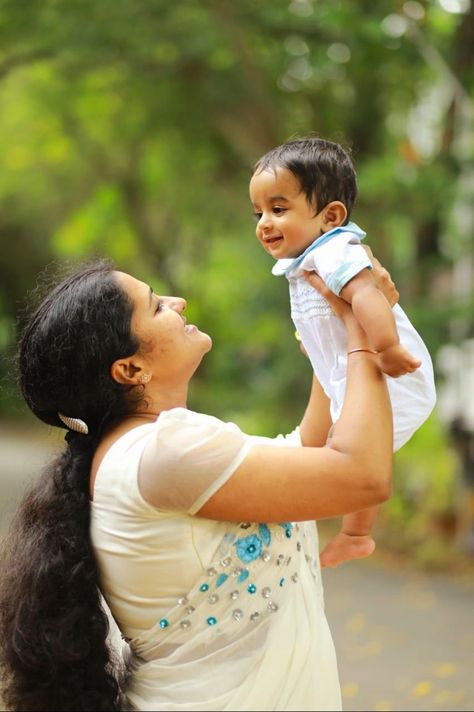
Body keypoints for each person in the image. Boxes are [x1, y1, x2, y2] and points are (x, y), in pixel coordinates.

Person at [0, 258, 394, 711]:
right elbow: (363, 477)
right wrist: (365, 335)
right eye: (156, 306)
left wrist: (334, 339)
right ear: (129, 369)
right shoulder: (168, 453)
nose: (178, 302)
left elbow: (306, 452)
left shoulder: (148, 450)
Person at [250, 136, 436, 568]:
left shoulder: (335, 251)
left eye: (278, 210)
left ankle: (356, 533)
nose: (263, 223)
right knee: (346, 451)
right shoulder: (306, 259)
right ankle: (352, 533)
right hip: (348, 374)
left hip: (390, 373)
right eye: (258, 212)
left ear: (331, 216)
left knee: (357, 454)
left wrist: (387, 348)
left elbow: (369, 296)